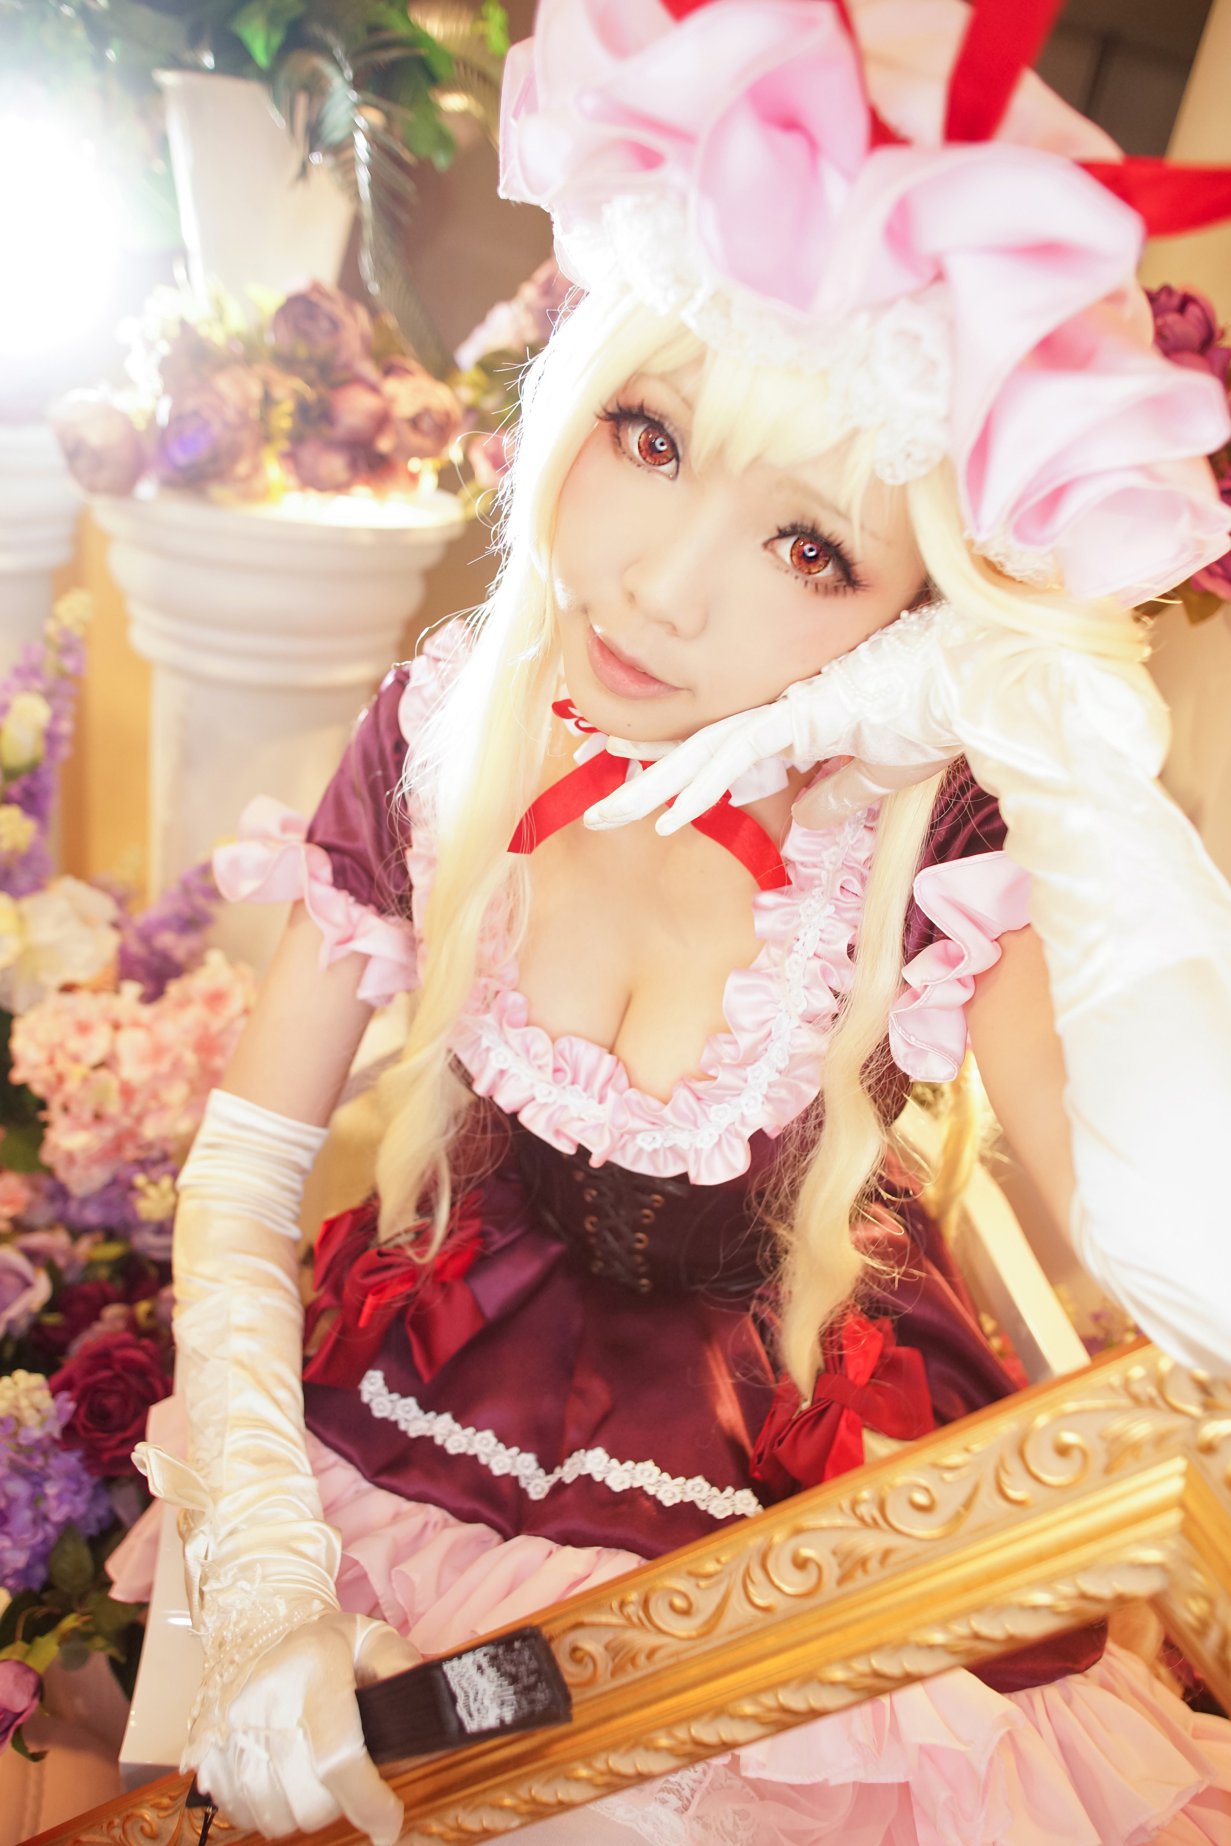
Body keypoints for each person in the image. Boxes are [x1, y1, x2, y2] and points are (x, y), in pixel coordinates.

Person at [128, 1, 1231, 1841]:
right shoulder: (448, 722)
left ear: (916, 612)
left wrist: (1053, 740)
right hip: (409, 1421)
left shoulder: (933, 829)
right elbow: (244, 1173)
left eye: (813, 547)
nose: (658, 584)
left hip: (803, 1498)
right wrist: (259, 1569)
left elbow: (1202, 1250)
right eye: (649, 434)